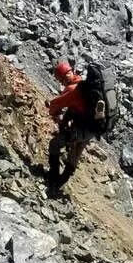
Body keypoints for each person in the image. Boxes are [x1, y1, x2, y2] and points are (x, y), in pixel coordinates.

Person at [46, 60, 92, 194]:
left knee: (54, 144)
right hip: (93, 127)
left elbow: (55, 104)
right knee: (75, 153)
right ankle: (60, 182)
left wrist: (54, 113)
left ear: (61, 78)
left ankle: (54, 178)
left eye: (61, 79)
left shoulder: (72, 89)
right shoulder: (83, 84)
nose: (62, 81)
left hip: (81, 129)